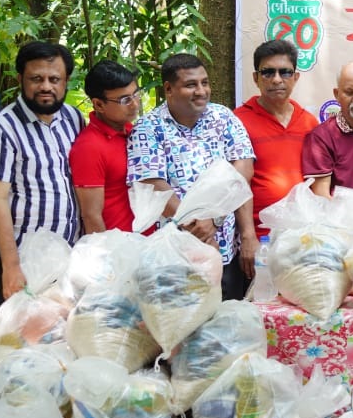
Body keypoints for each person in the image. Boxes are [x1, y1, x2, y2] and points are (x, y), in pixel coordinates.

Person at [127, 53, 257, 300]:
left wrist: (225, 223)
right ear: (169, 88)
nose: (201, 91)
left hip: (226, 248)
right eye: (191, 85)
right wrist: (197, 225)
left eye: (204, 83)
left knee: (227, 323)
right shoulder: (148, 128)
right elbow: (153, 184)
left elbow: (243, 169)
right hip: (176, 256)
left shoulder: (224, 118)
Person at [0, 41, 85, 300]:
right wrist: (11, 266)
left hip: (71, 256)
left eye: (54, 79)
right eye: (36, 78)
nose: (46, 87)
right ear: (20, 79)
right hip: (28, 262)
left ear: (66, 81)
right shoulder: (4, 127)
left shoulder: (74, 119)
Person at [233, 39, 318, 236]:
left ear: (296, 77)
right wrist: (248, 236)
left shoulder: (310, 123)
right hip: (257, 237)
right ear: (256, 78)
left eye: (285, 72)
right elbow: (233, 185)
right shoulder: (237, 122)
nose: (277, 79)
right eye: (268, 72)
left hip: (303, 235)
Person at [69, 60, 141, 234]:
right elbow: (91, 215)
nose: (135, 104)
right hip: (119, 249)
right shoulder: (89, 147)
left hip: (148, 244)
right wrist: (106, 257)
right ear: (99, 104)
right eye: (125, 100)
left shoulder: (133, 131)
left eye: (136, 94)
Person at [302, 62, 353, 197]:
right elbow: (321, 196)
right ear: (336, 94)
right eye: (349, 92)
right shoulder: (321, 137)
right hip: (337, 216)